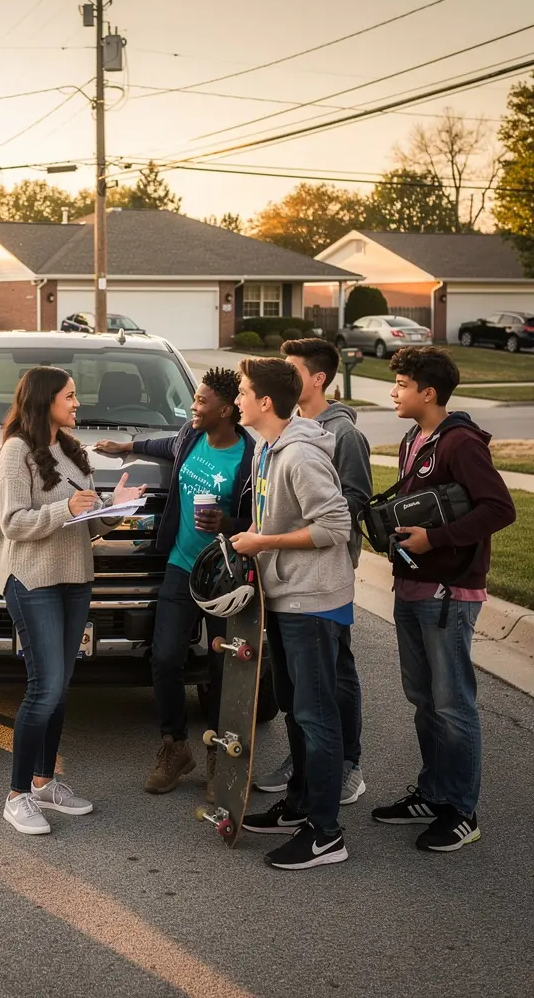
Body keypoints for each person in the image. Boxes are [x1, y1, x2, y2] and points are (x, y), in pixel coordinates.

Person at [371, 346, 514, 852]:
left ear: (427, 392)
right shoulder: (417, 437)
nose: (393, 392)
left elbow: (500, 508)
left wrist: (437, 539)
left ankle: (461, 810)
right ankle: (432, 793)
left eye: (401, 385)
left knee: (454, 704)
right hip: (412, 586)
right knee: (425, 700)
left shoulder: (461, 443)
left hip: (449, 592)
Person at [0, 366, 145, 835]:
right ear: (45, 401)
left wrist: (113, 510)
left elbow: (85, 525)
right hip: (32, 581)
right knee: (45, 687)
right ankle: (16, 796)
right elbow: (13, 522)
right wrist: (67, 508)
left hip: (74, 578)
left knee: (61, 687)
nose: (78, 403)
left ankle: (44, 783)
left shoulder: (74, 453)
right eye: (70, 396)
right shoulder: (15, 452)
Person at [95, 367, 254, 800]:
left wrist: (230, 522)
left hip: (225, 576)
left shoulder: (250, 457)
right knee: (165, 659)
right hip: (181, 566)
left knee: (226, 669)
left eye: (201, 401)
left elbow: (264, 519)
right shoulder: (190, 435)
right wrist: (127, 446)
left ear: (226, 409)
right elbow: (164, 444)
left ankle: (222, 752)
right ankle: (175, 747)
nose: (193, 407)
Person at [231, 357, 355, 870]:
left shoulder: (300, 455)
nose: (236, 399)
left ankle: (326, 833)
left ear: (265, 402)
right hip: (285, 595)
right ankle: (300, 804)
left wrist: (265, 542)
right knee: (294, 707)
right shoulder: (267, 446)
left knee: (316, 714)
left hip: (313, 601)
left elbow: (336, 526)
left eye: (242, 392)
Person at [252, 338, 372, 804]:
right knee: (304, 692)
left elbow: (348, 509)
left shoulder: (342, 436)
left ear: (317, 377)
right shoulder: (287, 430)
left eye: (293, 368)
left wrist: (278, 537)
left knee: (334, 677)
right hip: (290, 575)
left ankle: (345, 766)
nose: (284, 374)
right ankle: (305, 768)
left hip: (321, 579)